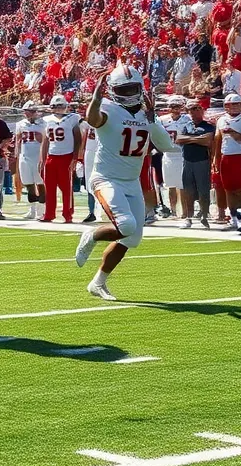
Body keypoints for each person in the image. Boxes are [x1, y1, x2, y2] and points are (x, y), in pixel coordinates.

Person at [75, 65, 179, 300]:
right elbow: (93, 120)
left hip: (131, 181)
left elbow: (165, 145)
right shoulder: (108, 107)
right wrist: (95, 99)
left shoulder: (146, 113)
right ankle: (91, 235)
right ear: (113, 90)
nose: (130, 92)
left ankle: (98, 283)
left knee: (132, 238)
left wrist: (152, 119)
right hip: (106, 178)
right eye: (124, 88)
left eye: (133, 87)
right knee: (126, 225)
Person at [215, 92, 241, 232]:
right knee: (228, 189)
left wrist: (235, 134)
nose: (232, 107)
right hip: (226, 156)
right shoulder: (221, 119)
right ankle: (234, 219)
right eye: (228, 104)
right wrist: (216, 158)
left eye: (235, 104)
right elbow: (218, 140)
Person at [40, 95, 82, 223]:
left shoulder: (73, 118)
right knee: (50, 187)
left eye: (60, 106)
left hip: (66, 156)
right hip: (51, 156)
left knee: (66, 187)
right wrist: (42, 159)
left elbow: (78, 139)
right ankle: (49, 214)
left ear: (65, 106)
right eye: (56, 106)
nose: (58, 108)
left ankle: (67, 214)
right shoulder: (47, 120)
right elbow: (45, 141)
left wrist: (75, 157)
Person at [177, 100, 216, 229]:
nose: (194, 112)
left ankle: (204, 215)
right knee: (188, 190)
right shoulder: (186, 125)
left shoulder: (208, 126)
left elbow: (208, 140)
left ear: (202, 110)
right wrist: (197, 139)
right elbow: (179, 139)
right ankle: (189, 217)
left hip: (202, 161)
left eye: (197, 108)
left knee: (203, 190)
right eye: (192, 109)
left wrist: (189, 139)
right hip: (187, 161)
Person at [158, 96, 191, 218]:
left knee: (183, 186)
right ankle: (173, 211)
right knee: (170, 185)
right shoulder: (162, 119)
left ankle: (185, 211)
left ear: (182, 107)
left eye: (177, 106)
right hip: (168, 155)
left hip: (182, 154)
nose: (175, 109)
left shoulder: (187, 119)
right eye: (172, 106)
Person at [14, 101, 45, 219]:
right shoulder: (21, 124)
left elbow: (48, 141)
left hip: (38, 157)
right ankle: (32, 209)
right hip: (25, 156)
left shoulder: (44, 123)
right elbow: (18, 140)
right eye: (26, 111)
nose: (27, 113)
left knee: (40, 183)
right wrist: (16, 154)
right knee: (28, 183)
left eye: (29, 111)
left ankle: (41, 210)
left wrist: (41, 138)